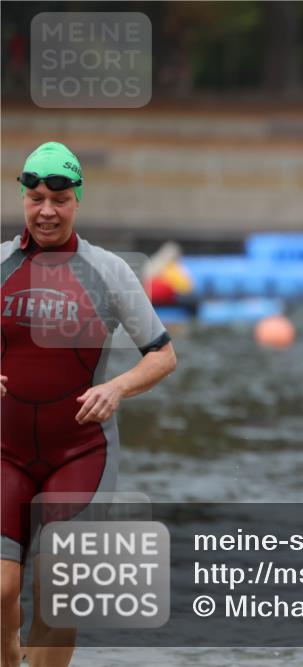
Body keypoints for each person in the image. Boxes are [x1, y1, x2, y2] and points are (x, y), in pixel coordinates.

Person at [1, 142, 177, 667]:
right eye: (35, 199)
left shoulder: (108, 271)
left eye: (59, 199)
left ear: (77, 201)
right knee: (2, 590)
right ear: (25, 200)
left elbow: (163, 355)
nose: (46, 211)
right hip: (3, 452)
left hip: (80, 453)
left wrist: (117, 387)